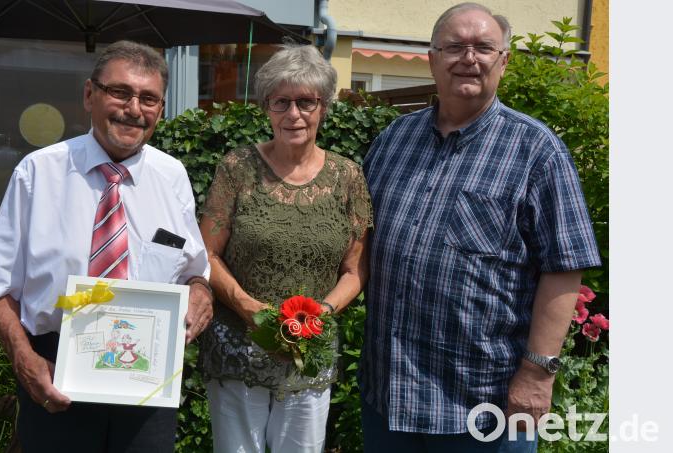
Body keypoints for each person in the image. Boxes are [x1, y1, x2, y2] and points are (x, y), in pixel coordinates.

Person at [360, 3, 601, 452]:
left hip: (483, 405)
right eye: (454, 47)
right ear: (432, 59)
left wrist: (537, 374)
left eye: (484, 48)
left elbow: (565, 267)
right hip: (387, 394)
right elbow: (358, 240)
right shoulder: (394, 140)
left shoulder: (537, 151)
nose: (468, 58)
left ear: (503, 61)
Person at [0, 40, 213, 452]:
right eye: (120, 92)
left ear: (160, 108)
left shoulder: (172, 175)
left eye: (148, 99)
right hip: (54, 371)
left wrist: (201, 292)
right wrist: (24, 359)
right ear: (89, 94)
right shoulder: (38, 172)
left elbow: (194, 270)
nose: (134, 109)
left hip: (146, 375)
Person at [196, 43, 372, 453]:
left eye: (306, 102)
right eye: (281, 102)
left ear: (323, 107)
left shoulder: (348, 176)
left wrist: (321, 314)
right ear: (266, 108)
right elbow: (207, 253)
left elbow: (356, 270)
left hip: (308, 353)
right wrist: (248, 308)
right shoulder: (237, 168)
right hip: (239, 346)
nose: (294, 114)